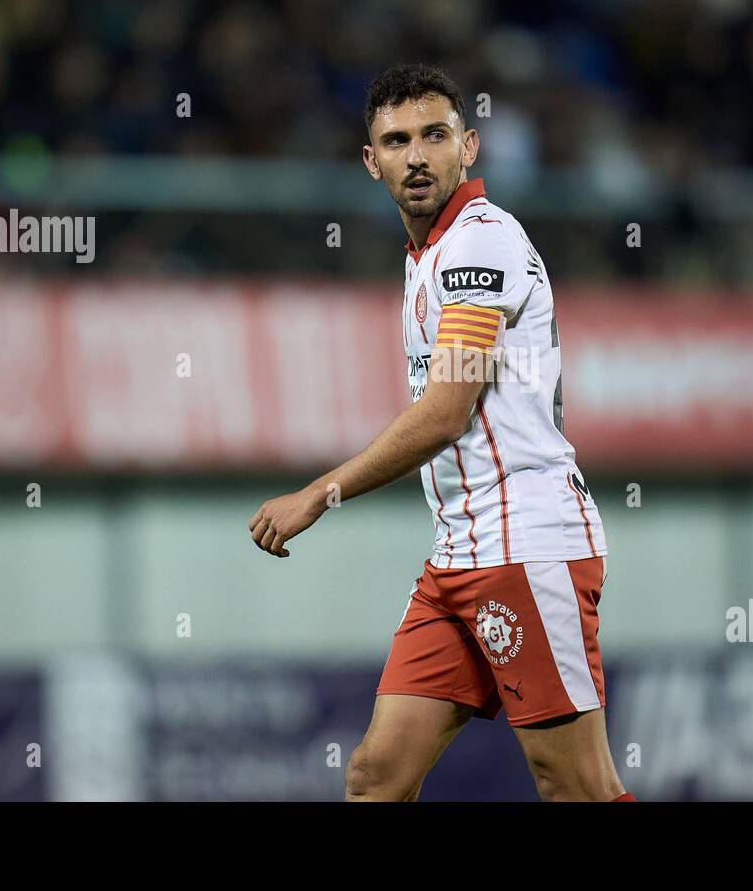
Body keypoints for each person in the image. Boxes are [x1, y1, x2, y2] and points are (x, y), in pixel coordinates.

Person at [248, 64, 633, 802]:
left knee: (577, 786)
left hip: (526, 545)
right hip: (460, 553)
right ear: (372, 162)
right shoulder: (426, 253)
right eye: (396, 141)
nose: (416, 156)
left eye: (434, 135)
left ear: (470, 148)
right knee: (375, 776)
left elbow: (444, 411)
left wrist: (318, 495)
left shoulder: (480, 242)